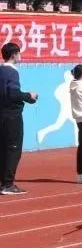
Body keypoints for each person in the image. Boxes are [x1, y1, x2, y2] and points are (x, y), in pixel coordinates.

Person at [0, 42, 38, 195]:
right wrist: (29, 96)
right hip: (11, 116)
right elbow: (13, 94)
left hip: (2, 115)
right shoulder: (12, 72)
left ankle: (4, 182)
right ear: (14, 55)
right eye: (19, 53)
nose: (20, 56)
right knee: (13, 149)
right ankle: (7, 184)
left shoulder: (1, 70)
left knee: (3, 149)